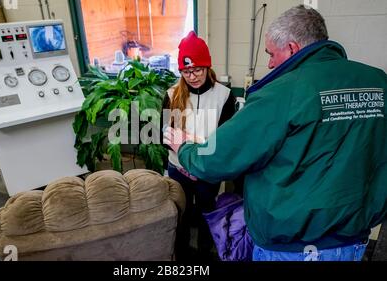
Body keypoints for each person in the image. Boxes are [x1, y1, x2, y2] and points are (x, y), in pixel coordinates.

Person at [164, 5, 387, 261]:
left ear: (292, 48)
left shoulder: (281, 92)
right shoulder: (379, 83)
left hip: (291, 245)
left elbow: (217, 157)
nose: (269, 63)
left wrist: (185, 148)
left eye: (271, 53)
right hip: (352, 240)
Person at [162, 31, 236, 261]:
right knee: (180, 214)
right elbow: (163, 133)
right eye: (186, 71)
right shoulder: (172, 94)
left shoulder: (224, 96)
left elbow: (226, 138)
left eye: (197, 70)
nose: (192, 76)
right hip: (179, 168)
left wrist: (200, 166)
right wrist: (185, 165)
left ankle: (206, 253)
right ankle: (181, 256)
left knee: (207, 213)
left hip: (208, 170)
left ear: (207, 67)